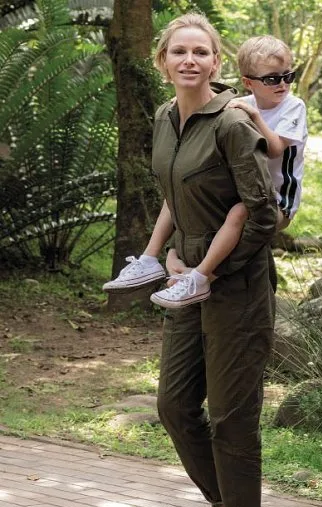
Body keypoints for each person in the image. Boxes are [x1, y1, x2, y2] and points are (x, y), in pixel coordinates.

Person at [150, 13, 277, 507]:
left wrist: (210, 269)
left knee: (231, 415)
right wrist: (170, 255)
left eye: (201, 52)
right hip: (187, 280)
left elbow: (263, 212)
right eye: (179, 52)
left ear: (217, 63)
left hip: (237, 286)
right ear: (163, 61)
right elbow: (174, 196)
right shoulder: (164, 119)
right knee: (175, 406)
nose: (190, 61)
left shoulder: (230, 122)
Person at [103, 36, 307, 310]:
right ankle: (149, 259)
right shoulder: (242, 103)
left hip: (278, 201)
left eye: (288, 76)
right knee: (174, 195)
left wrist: (254, 116)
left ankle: (201, 275)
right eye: (272, 79)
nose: (282, 84)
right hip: (245, 192)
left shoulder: (293, 106)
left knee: (237, 213)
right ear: (248, 82)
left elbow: (274, 149)